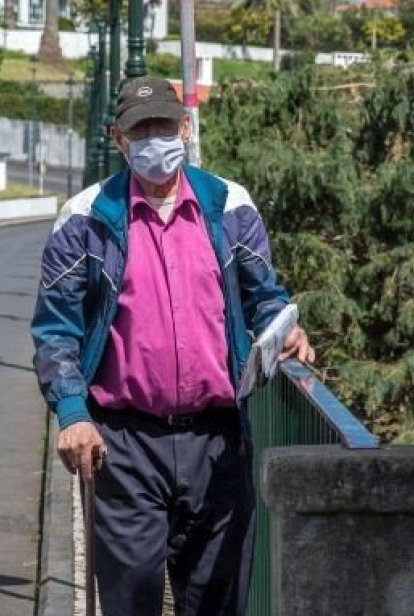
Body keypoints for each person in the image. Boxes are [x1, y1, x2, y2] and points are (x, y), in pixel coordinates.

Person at [31, 78, 314, 616]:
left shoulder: (229, 205)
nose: (155, 138)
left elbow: (264, 294)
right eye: (141, 130)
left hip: (219, 440)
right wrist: (72, 413)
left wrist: (284, 327)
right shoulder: (85, 219)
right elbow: (55, 330)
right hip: (125, 444)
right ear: (119, 139)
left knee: (216, 601)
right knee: (132, 599)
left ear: (185, 128)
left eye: (164, 125)